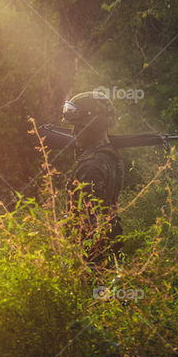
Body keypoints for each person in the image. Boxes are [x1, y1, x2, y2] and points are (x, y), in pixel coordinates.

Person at [62, 90, 124, 262]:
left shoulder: (91, 165)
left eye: (79, 127)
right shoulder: (108, 156)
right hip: (107, 251)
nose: (74, 132)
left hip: (92, 258)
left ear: (94, 126)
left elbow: (88, 223)